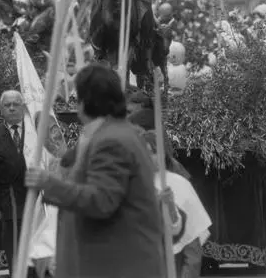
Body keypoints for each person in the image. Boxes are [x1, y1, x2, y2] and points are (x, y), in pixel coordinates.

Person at [25, 63, 164, 278]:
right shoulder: (117, 133)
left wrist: (48, 183)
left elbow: (101, 201)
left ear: (84, 102)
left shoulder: (111, 140)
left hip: (117, 266)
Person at [0, 90, 37, 278]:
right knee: (15, 253)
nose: (12, 108)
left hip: (37, 201)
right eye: (7, 105)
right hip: (10, 204)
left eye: (16, 104)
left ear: (24, 107)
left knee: (37, 252)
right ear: (1, 110)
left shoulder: (36, 130)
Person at [142, 131, 211, 278]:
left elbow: (192, 248)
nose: (149, 158)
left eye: (154, 152)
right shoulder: (133, 184)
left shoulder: (180, 185)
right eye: (144, 152)